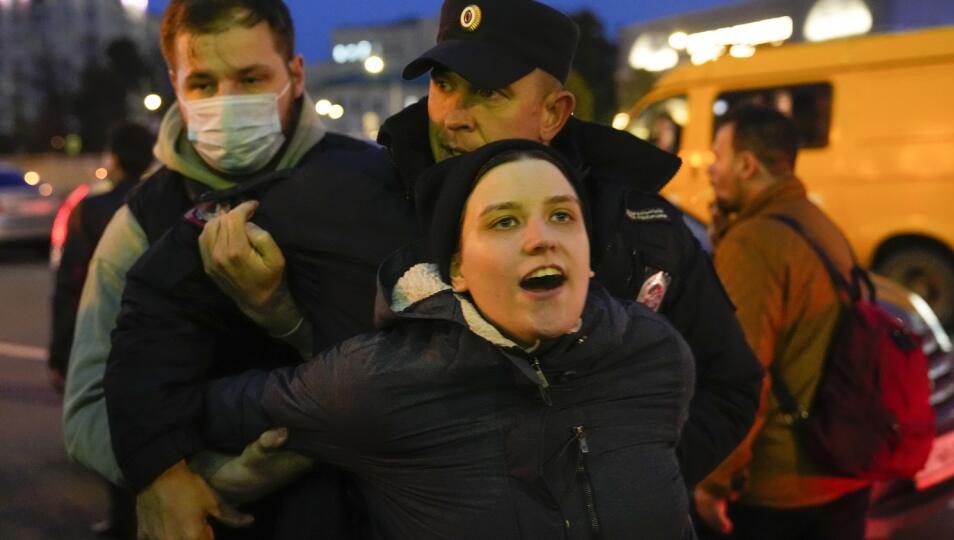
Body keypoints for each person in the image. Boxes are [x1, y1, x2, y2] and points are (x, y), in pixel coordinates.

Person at [104, 0, 761, 536]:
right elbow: (161, 297)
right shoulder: (343, 189)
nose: (455, 116)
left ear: (555, 112)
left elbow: (729, 384)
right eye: (446, 84)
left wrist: (617, 479)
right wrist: (159, 469)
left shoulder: (638, 230)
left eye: (491, 93)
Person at [203, 139, 697, 539]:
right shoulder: (380, 380)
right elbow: (216, 409)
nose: (541, 238)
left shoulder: (654, 353)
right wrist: (166, 477)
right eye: (504, 221)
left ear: (587, 254)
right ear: (457, 268)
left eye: (563, 216)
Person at [62, 1, 414, 538]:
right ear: (174, 84)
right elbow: (87, 408)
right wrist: (190, 476)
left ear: (295, 75)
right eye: (203, 83)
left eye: (251, 78)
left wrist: (281, 316)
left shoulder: (372, 184)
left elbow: (412, 368)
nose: (226, 103)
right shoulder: (140, 220)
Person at [693, 105, 871, 539]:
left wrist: (713, 483)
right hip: (843, 466)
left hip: (781, 492)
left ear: (747, 164)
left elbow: (743, 376)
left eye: (718, 157)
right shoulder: (816, 223)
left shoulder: (755, 243)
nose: (710, 170)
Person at [48, 121, 155, 538]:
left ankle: (122, 519)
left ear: (113, 158)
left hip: (107, 336)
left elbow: (70, 286)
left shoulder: (91, 210)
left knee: (113, 429)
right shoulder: (160, 202)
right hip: (157, 336)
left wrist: (61, 353)